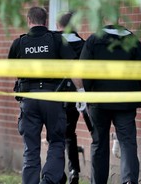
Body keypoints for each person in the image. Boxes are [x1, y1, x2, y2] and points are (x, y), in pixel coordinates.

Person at [8, 6, 85, 184]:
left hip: (29, 100)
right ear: (46, 20)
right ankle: (49, 181)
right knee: (57, 142)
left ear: (28, 20)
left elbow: (12, 69)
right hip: (53, 98)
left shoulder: (19, 43)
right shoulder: (57, 40)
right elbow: (73, 68)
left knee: (31, 148)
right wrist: (81, 92)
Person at [79, 22, 141, 184]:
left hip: (99, 102)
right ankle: (129, 181)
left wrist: (86, 95)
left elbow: (84, 70)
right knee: (127, 142)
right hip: (125, 102)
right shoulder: (132, 40)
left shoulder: (93, 40)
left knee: (99, 143)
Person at [57, 12, 84, 184]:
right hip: (76, 94)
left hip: (56, 93)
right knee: (70, 133)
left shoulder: (54, 42)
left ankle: (59, 173)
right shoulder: (84, 43)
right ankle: (74, 170)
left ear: (60, 25)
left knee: (56, 134)